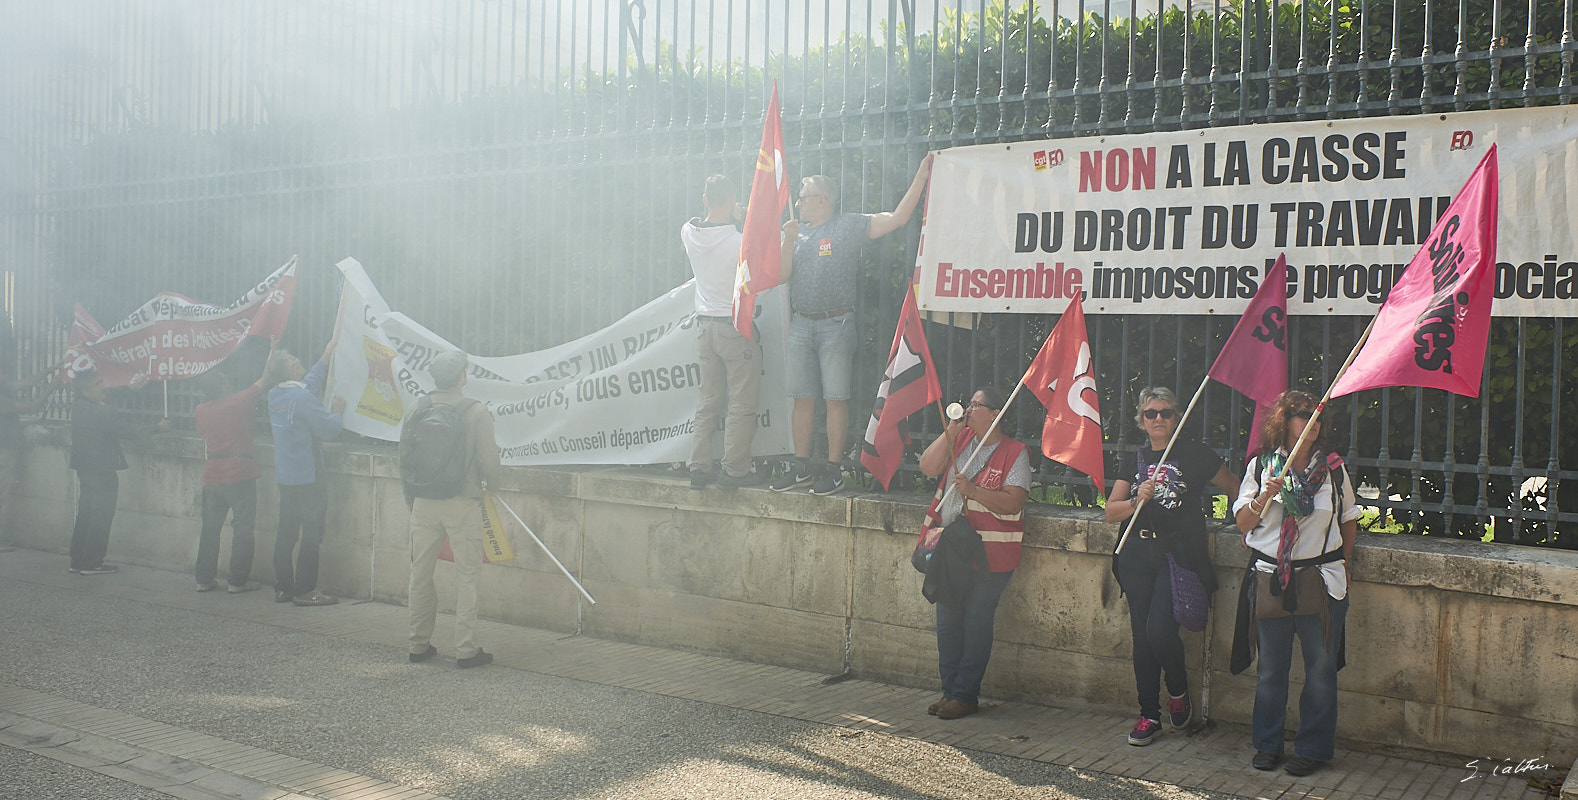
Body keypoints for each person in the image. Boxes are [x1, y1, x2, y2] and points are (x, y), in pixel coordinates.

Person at [769, 155, 933, 496]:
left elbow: (898, 218)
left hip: (836, 324)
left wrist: (920, 177)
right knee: (802, 398)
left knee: (835, 398)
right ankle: (801, 467)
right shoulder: (796, 234)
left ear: (822, 201)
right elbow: (782, 276)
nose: (797, 203)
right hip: (801, 324)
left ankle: (832, 470)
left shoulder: (847, 225)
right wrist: (787, 240)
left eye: (803, 197)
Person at [1232, 390, 1358, 777]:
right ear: (1284, 421)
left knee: (1321, 670)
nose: (1312, 421)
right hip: (1272, 578)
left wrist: (1346, 566)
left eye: (1318, 415)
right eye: (1304, 414)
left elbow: (1349, 517)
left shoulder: (1333, 469)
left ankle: (1313, 749)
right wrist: (1263, 498)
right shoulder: (1261, 467)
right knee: (1271, 668)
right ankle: (1268, 745)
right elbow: (1243, 524)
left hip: (1321, 581)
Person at [1105, 386, 1238, 746]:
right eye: (1151, 413)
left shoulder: (1195, 454)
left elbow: (1235, 488)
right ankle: (1149, 714)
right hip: (1135, 555)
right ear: (1142, 421)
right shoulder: (1133, 459)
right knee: (1141, 640)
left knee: (1159, 632)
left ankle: (1177, 689)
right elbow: (1109, 511)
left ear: (1177, 417)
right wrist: (1137, 499)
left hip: (1176, 557)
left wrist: (1242, 524)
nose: (1159, 419)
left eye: (1166, 412)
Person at [915, 386, 1031, 720]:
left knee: (976, 622)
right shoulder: (962, 439)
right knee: (948, 621)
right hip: (953, 551)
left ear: (996, 414)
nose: (969, 409)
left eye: (977, 405)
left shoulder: (1014, 451)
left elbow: (1014, 501)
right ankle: (949, 691)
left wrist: (975, 492)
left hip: (991, 554)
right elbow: (927, 466)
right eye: (969, 403)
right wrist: (952, 430)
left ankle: (965, 695)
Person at [400, 350, 501, 668]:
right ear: (462, 377)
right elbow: (489, 459)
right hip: (462, 502)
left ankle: (418, 644)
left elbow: (404, 457)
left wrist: (410, 496)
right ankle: (466, 650)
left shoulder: (416, 408)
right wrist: (492, 489)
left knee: (420, 573)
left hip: (424, 502)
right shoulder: (476, 411)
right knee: (467, 574)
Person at [681, 174, 761, 490]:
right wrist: (740, 218)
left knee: (708, 400)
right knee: (741, 402)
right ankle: (734, 471)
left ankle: (699, 467)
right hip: (733, 326)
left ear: (704, 199)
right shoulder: (739, 241)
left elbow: (693, 222)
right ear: (732, 200)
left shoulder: (688, 232)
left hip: (705, 328)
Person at [192, 338, 281, 593]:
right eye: (224, 378)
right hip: (239, 472)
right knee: (243, 528)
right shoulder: (237, 402)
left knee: (210, 529)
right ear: (221, 385)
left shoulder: (201, 410)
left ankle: (203, 578)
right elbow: (265, 378)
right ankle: (237, 581)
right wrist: (273, 348)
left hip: (212, 474)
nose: (228, 380)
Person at [67, 368, 171, 574]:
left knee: (86, 512)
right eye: (97, 384)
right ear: (86, 391)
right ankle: (92, 562)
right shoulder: (103, 412)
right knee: (102, 514)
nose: (103, 386)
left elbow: (105, 394)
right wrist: (157, 428)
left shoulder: (78, 406)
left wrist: (128, 389)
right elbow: (128, 430)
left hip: (86, 467)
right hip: (102, 468)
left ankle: (78, 559)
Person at [267, 337, 344, 606]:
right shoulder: (302, 398)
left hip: (286, 476)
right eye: (297, 363)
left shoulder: (275, 395)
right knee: (312, 534)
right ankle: (305, 591)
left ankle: (283, 588)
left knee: (286, 533)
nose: (301, 365)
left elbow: (307, 386)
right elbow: (328, 430)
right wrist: (337, 413)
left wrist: (324, 357)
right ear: (291, 372)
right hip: (309, 476)